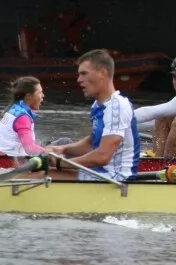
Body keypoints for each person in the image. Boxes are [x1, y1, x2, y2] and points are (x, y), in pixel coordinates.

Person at [44, 49, 139, 181]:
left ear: (103, 73)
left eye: (84, 74)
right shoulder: (97, 105)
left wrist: (61, 163)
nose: (79, 80)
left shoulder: (117, 106)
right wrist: (62, 149)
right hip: (99, 174)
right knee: (38, 172)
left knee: (34, 176)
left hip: (116, 179)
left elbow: (102, 156)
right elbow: (91, 144)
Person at [0, 76, 45, 158]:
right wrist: (50, 152)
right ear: (28, 96)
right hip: (9, 159)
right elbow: (30, 148)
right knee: (64, 142)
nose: (43, 95)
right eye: (40, 93)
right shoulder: (23, 117)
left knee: (54, 145)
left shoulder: (12, 109)